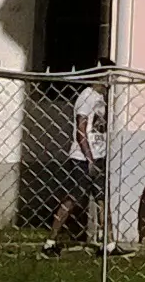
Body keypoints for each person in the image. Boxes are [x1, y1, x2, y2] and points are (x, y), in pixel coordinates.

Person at [40, 75, 108, 254]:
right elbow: (81, 130)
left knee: (102, 198)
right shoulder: (86, 97)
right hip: (83, 157)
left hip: (99, 154)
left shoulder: (102, 98)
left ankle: (108, 244)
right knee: (74, 198)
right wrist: (89, 158)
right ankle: (50, 241)